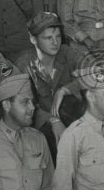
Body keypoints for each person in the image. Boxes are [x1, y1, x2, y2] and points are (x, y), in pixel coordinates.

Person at [13, 11, 85, 156]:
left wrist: (65, 90)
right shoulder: (23, 64)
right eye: (48, 38)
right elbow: (21, 104)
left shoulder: (67, 53)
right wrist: (53, 121)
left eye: (58, 36)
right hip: (39, 123)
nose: (55, 42)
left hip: (71, 118)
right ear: (33, 39)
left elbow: (97, 74)